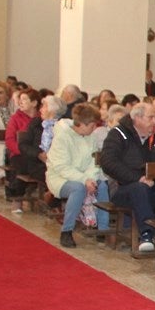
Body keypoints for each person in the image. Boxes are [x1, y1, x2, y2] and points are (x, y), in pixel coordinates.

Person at [100, 102, 155, 253]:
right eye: (151, 117)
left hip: (154, 187)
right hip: (123, 189)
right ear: (137, 118)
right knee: (140, 188)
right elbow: (108, 163)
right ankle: (146, 234)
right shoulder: (118, 134)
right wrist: (136, 177)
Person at [46, 103, 111, 248]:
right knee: (78, 189)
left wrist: (91, 179)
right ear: (81, 124)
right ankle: (67, 230)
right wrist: (84, 180)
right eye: (92, 126)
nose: (94, 129)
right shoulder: (62, 137)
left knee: (102, 185)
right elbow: (62, 166)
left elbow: (94, 163)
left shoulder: (91, 137)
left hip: (85, 177)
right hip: (60, 178)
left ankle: (103, 228)